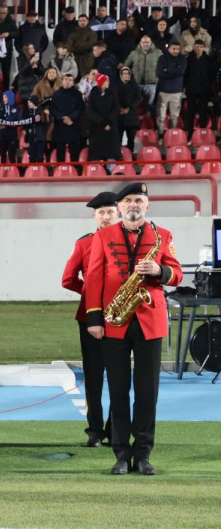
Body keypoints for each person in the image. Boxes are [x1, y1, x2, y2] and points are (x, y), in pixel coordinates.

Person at [85, 183, 183, 475]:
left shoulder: (162, 235)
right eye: (127, 200)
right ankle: (120, 453)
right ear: (119, 207)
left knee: (147, 391)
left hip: (149, 320)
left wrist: (160, 271)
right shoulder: (103, 236)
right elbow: (93, 278)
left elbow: (177, 275)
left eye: (139, 200)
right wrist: (94, 319)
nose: (133, 205)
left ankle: (143, 453)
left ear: (147, 205)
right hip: (114, 321)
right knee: (118, 390)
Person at [62, 191, 118, 449]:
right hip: (90, 317)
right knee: (94, 376)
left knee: (118, 376)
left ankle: (113, 429)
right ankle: (96, 430)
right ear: (94, 216)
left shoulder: (129, 242)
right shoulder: (84, 243)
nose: (106, 217)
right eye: (101, 213)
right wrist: (90, 293)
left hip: (121, 317)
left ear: (118, 213)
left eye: (110, 212)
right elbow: (68, 279)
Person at [50, 73, 84, 170]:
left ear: (73, 83)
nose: (68, 81)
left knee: (74, 151)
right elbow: (53, 109)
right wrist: (62, 118)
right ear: (62, 81)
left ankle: (75, 171)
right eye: (65, 79)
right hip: (60, 126)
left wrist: (71, 118)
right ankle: (60, 171)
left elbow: (80, 108)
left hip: (73, 125)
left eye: (70, 80)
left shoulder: (77, 94)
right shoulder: (56, 94)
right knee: (60, 151)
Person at [86, 74, 120, 168]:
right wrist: (102, 122)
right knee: (96, 152)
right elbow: (90, 110)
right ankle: (96, 170)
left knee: (111, 153)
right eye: (106, 81)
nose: (108, 83)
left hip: (110, 128)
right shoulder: (93, 93)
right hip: (97, 128)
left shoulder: (112, 92)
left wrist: (109, 122)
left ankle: (111, 171)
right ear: (101, 83)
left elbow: (116, 108)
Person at [155, 40, 186, 133]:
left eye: (178, 49)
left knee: (174, 116)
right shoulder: (162, 58)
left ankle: (172, 135)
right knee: (161, 116)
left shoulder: (182, 59)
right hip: (163, 91)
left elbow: (181, 72)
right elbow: (159, 73)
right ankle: (160, 134)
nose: (176, 51)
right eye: (174, 49)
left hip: (177, 91)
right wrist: (175, 71)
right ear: (169, 49)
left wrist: (167, 70)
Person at [183, 40, 214, 130]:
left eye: (201, 47)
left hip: (204, 90)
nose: (199, 48)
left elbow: (211, 74)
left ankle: (202, 132)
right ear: (194, 47)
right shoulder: (189, 58)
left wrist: (207, 84)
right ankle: (189, 132)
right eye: (197, 46)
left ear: (203, 48)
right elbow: (185, 74)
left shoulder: (208, 59)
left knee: (203, 112)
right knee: (190, 112)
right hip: (191, 89)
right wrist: (186, 86)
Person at [0, 90, 21, 166]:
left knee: (12, 155)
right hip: (2, 136)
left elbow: (18, 121)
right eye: (3, 97)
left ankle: (13, 170)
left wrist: (7, 124)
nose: (4, 99)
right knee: (2, 155)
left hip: (11, 135)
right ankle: (2, 170)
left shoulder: (16, 109)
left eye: (5, 97)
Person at [116, 67, 141, 150]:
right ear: (121, 75)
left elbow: (138, 99)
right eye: (124, 73)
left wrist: (129, 108)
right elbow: (114, 99)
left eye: (128, 73)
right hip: (120, 116)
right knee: (118, 140)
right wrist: (120, 109)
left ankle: (130, 154)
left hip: (131, 117)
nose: (126, 75)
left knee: (131, 139)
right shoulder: (116, 86)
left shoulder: (135, 86)